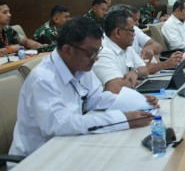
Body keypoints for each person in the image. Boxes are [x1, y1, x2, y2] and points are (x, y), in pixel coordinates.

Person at [9, 17, 156, 160]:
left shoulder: (80, 66)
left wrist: (135, 102)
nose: (96, 58)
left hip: (68, 145)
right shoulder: (43, 79)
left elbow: (97, 98)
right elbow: (61, 124)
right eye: (91, 53)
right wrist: (122, 120)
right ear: (67, 50)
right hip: (36, 158)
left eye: (98, 51)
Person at [93, 9, 183, 94]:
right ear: (118, 32)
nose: (134, 34)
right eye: (131, 30)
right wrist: (132, 82)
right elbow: (116, 88)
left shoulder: (125, 47)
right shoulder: (103, 52)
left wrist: (135, 73)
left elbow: (144, 69)